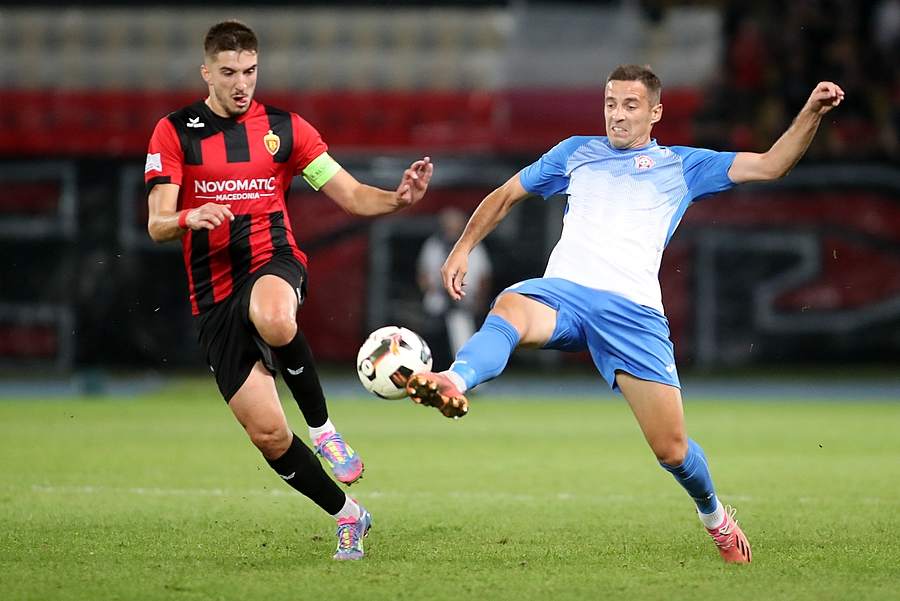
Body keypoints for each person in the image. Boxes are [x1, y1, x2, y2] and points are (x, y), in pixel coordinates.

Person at [407, 64, 844, 564]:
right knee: (510, 304)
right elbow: (506, 195)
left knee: (672, 450)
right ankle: (453, 380)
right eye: (611, 104)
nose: (617, 115)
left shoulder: (684, 164)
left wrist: (811, 112)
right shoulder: (575, 152)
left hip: (631, 313)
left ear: (655, 113)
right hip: (565, 295)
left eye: (630, 105)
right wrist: (462, 248)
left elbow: (771, 164)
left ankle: (715, 518)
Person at [145, 20, 433, 561]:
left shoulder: (287, 129)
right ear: (206, 72)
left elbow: (351, 195)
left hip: (272, 261)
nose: (241, 83)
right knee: (269, 436)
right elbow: (157, 222)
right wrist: (187, 216)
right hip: (213, 293)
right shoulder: (174, 131)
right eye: (229, 72)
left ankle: (324, 431)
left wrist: (397, 199)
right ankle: (349, 515)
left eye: (250, 71)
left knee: (276, 317)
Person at [416, 207, 493, 368]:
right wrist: (431, 289)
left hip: (463, 302)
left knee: (463, 339)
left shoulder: (474, 247)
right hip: (437, 303)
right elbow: (423, 274)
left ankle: (466, 369)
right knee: (434, 341)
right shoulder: (434, 246)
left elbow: (483, 276)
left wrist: (478, 301)